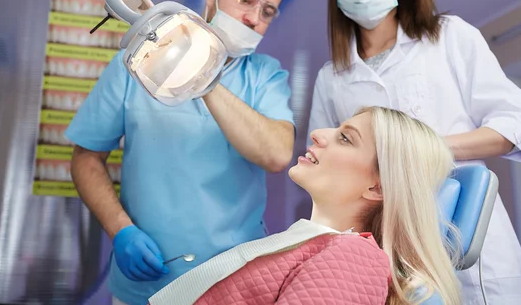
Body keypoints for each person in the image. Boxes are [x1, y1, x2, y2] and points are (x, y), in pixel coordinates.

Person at [308, 0, 521, 305]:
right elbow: (324, 165)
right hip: (383, 240)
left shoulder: (450, 36)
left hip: (465, 232)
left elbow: (514, 127)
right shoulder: (332, 76)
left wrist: (419, 149)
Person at [64, 0, 296, 305]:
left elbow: (278, 154)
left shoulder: (265, 76)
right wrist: (120, 230)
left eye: (267, 12)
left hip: (233, 284)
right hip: (145, 284)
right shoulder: (139, 61)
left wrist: (203, 72)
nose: (253, 18)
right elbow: (86, 157)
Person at [149, 106, 462, 305]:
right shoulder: (310, 245)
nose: (318, 134)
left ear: (377, 187)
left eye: (345, 139)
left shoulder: (355, 258)